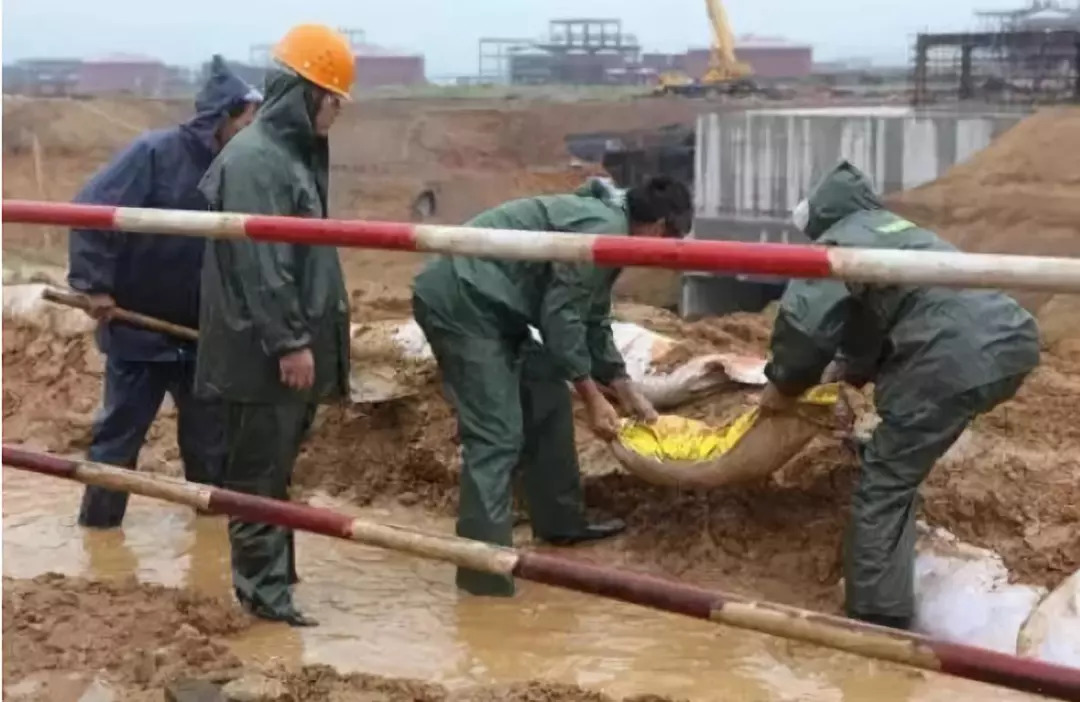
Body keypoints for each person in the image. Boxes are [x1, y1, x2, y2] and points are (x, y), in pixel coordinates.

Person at [759, 160, 1040, 630]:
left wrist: (782, 386)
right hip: (1012, 340)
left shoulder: (838, 245)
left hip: (951, 357)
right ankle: (902, 453)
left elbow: (803, 327)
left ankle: (875, 615)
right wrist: (850, 369)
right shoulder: (896, 230)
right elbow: (884, 317)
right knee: (913, 431)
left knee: (885, 482)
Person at [412, 175, 693, 596]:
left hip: (494, 303)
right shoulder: (604, 231)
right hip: (463, 300)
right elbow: (560, 317)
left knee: (544, 384)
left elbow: (592, 318)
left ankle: (560, 522)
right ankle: (482, 576)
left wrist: (624, 386)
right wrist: (594, 398)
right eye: (670, 243)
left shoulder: (610, 232)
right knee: (496, 436)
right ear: (657, 228)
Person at [195, 24, 354, 627]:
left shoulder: (289, 158)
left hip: (280, 349)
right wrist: (290, 341)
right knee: (257, 474)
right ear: (302, 93)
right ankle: (263, 603)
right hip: (262, 355)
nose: (336, 113)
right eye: (332, 99)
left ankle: (275, 580)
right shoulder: (259, 161)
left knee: (274, 469)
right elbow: (263, 265)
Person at [68, 55, 262, 529]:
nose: (254, 132)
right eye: (248, 121)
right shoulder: (154, 154)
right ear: (223, 118)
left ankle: (210, 538)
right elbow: (90, 212)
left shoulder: (239, 169)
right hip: (139, 330)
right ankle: (99, 529)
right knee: (118, 438)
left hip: (203, 337)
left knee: (209, 443)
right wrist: (96, 286)